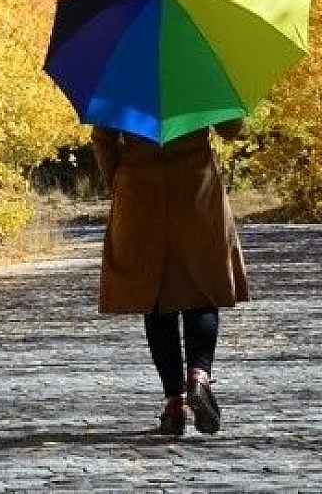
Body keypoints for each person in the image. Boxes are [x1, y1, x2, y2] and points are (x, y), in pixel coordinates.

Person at [92, 119, 249, 436]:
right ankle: (199, 377)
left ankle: (174, 404)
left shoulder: (123, 76)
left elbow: (102, 139)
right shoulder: (200, 72)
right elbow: (233, 130)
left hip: (140, 193)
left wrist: (120, 183)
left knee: (155, 296)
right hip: (196, 192)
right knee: (203, 290)